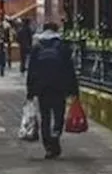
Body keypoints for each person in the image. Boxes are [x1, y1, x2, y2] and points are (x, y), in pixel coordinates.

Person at [25, 21, 79, 159]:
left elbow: (31, 70)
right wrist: (74, 91)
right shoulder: (62, 47)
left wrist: (30, 92)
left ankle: (48, 145)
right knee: (58, 114)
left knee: (45, 116)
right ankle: (55, 135)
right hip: (59, 87)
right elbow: (69, 70)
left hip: (42, 88)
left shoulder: (37, 47)